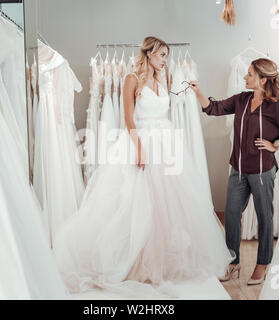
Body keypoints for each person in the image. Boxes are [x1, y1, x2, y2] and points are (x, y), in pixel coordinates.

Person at [52, 36, 234, 297]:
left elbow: (164, 113)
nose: (165, 61)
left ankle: (159, 259)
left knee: (164, 206)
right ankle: (131, 259)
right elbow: (128, 118)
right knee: (135, 203)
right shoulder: (131, 79)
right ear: (148, 54)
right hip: (142, 142)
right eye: (161, 55)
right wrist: (139, 148)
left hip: (165, 145)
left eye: (166, 56)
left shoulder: (162, 80)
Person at [189, 58, 279, 285]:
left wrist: (277, 145)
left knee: (265, 217)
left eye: (250, 74)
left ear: (262, 79)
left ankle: (262, 264)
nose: (245, 77)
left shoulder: (277, 107)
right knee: (231, 215)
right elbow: (213, 108)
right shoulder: (242, 100)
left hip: (262, 172)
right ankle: (233, 263)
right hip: (238, 171)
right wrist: (198, 91)